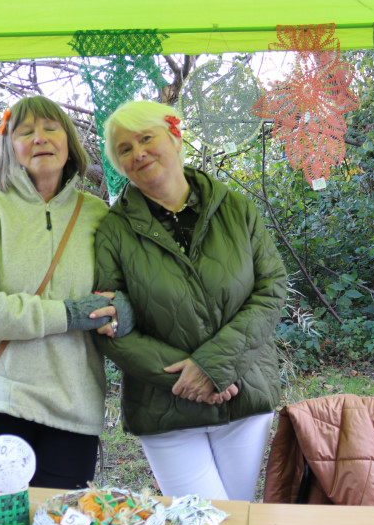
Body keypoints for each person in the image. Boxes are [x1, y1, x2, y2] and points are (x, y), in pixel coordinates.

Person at [0, 95, 131, 490]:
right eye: (25, 132)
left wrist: (124, 311)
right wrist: (68, 314)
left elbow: (121, 291)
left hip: (73, 408)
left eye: (50, 128)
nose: (40, 138)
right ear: (10, 148)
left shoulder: (98, 215)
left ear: (68, 141)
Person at [94, 100, 287, 501]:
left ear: (175, 137)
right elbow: (109, 324)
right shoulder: (112, 231)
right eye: (124, 150)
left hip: (243, 395)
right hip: (166, 408)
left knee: (238, 520)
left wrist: (214, 367)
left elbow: (271, 288)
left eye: (146, 138)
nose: (138, 153)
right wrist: (190, 380)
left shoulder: (236, 208)